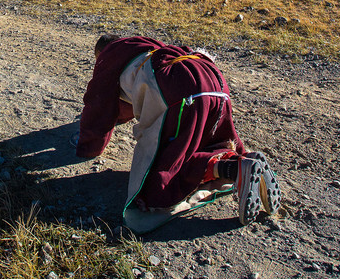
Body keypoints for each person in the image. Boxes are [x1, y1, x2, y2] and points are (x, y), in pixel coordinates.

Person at [76, 34, 280, 233]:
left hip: (179, 93)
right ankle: (245, 162)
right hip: (213, 82)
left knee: (162, 176)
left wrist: (89, 145)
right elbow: (125, 102)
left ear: (101, 52)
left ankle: (235, 170)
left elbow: (99, 105)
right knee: (206, 141)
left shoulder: (109, 56)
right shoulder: (145, 47)